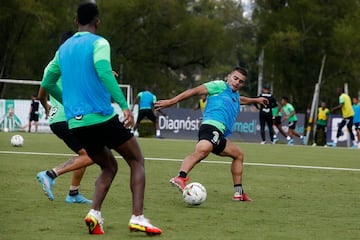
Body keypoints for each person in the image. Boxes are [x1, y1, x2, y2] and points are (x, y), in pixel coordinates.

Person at [40, 1, 161, 235]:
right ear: (98, 22)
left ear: (76, 22)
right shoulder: (99, 42)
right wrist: (125, 107)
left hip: (77, 123)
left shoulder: (62, 50)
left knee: (109, 166)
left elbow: (47, 83)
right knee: (136, 160)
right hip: (101, 117)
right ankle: (138, 217)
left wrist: (68, 102)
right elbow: (104, 71)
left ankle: (94, 213)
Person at [155, 67, 268, 202]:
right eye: (235, 78)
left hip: (219, 134)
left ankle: (238, 193)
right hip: (210, 127)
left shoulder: (235, 96)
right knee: (203, 149)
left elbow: (242, 99)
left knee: (238, 155)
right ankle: (180, 177)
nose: (237, 82)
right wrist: (171, 101)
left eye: (241, 81)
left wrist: (256, 100)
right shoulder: (219, 86)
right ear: (228, 77)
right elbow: (194, 91)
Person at [36, 30, 93, 204]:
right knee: (92, 155)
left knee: (85, 152)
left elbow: (42, 92)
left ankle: (73, 193)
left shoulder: (51, 64)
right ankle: (50, 174)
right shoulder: (70, 60)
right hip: (69, 117)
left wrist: (46, 106)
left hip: (57, 118)